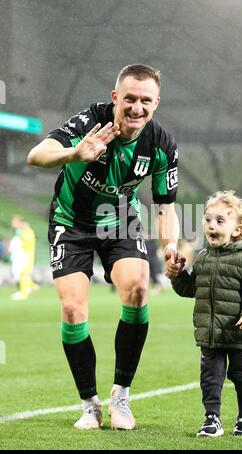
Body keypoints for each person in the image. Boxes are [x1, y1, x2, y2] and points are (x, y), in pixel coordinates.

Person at [27, 64, 181, 430]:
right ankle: (89, 404)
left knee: (139, 286)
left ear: (156, 103)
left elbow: (166, 207)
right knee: (72, 307)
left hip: (120, 218)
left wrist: (171, 245)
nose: (137, 108)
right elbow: (36, 155)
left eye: (146, 101)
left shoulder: (161, 145)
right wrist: (73, 154)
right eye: (129, 98)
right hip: (71, 221)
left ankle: (121, 397)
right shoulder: (91, 123)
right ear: (116, 98)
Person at [165, 190, 242, 437]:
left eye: (220, 221)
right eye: (208, 220)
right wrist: (178, 275)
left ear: (237, 228)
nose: (211, 225)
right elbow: (190, 290)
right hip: (211, 334)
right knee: (210, 379)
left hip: (240, 333)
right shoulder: (202, 258)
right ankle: (211, 419)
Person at [9, 216, 39, 300]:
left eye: (15, 222)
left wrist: (18, 245)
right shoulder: (23, 232)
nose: (14, 225)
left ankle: (23, 293)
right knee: (22, 274)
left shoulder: (28, 232)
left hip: (27, 256)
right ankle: (33, 286)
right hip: (24, 255)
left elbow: (26, 244)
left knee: (23, 274)